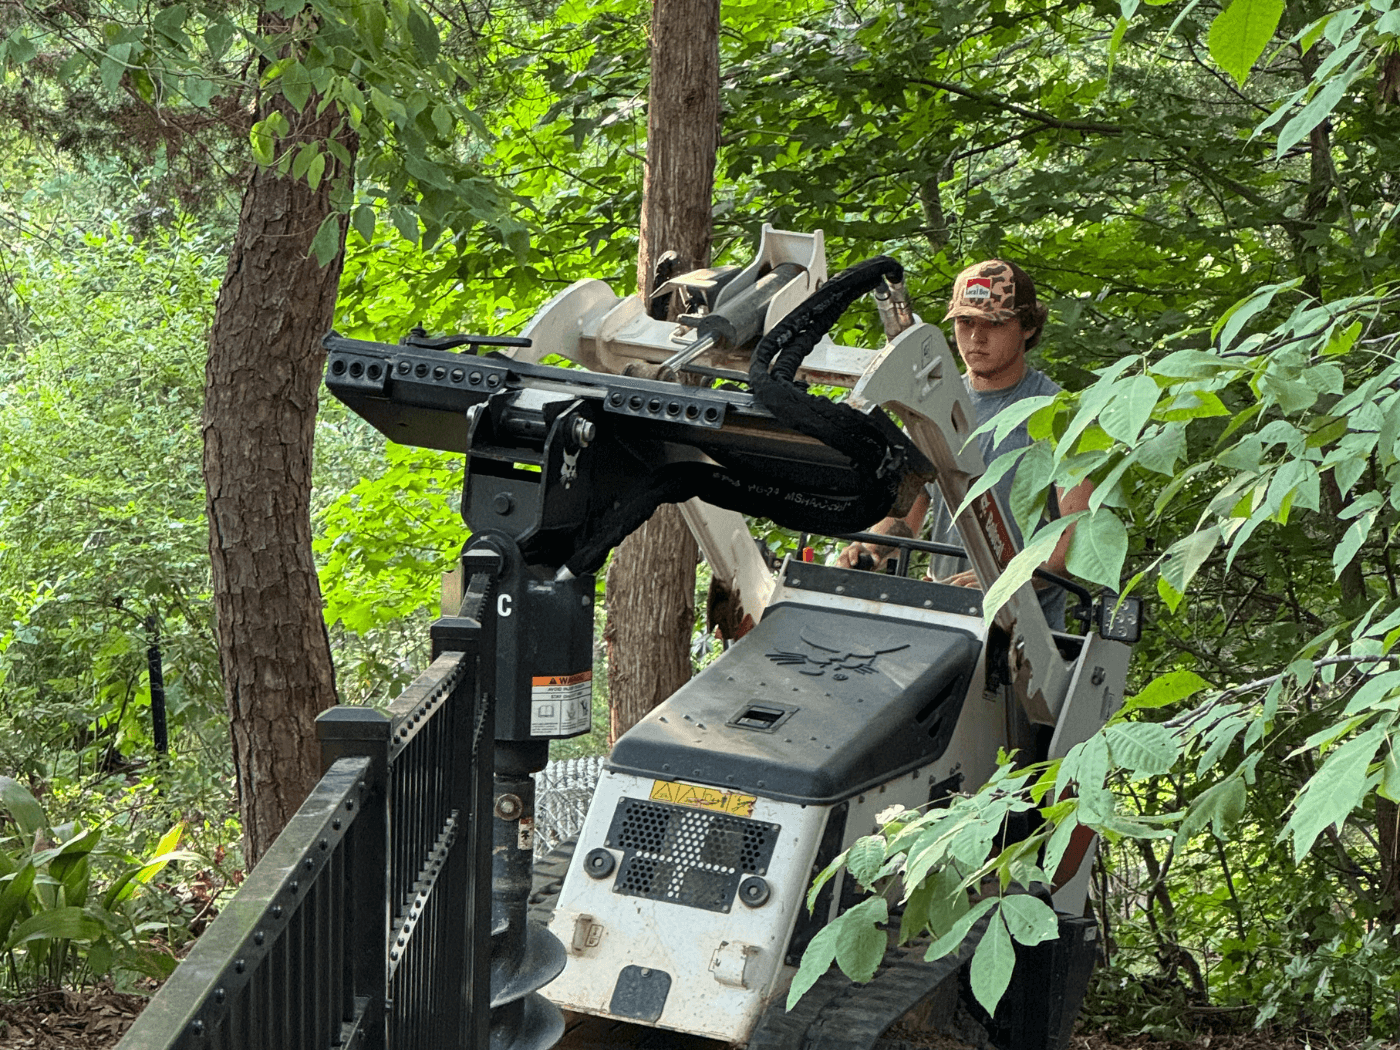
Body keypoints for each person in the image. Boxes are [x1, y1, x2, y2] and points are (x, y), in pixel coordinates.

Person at [838, 258, 1090, 630]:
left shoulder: (1059, 414)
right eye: (965, 322)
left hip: (1027, 643)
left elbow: (1074, 535)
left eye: (995, 324)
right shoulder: (932, 406)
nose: (976, 337)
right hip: (944, 616)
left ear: (1029, 326)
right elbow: (911, 504)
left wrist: (1008, 579)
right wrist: (870, 550)